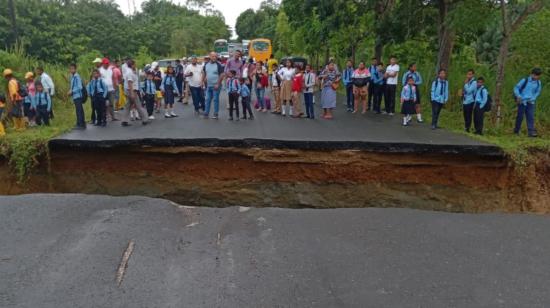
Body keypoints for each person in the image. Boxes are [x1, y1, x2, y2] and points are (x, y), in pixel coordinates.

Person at [514, 68, 543, 137]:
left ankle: (531, 132)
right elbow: (516, 88)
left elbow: (538, 91)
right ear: (532, 74)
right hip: (522, 101)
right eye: (535, 75)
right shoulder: (525, 80)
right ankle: (516, 131)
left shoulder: (538, 82)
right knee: (520, 117)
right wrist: (518, 96)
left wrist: (534, 98)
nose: (536, 77)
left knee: (530, 117)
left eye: (538, 76)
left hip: (531, 102)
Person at [121, 60, 149, 127]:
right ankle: (145, 119)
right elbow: (130, 83)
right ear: (132, 65)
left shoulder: (132, 71)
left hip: (130, 90)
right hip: (132, 90)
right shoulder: (129, 72)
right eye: (134, 64)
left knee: (127, 106)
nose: (135, 65)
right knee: (138, 105)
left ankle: (124, 120)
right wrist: (132, 93)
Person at [202, 52, 225, 120]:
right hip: (208, 85)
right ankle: (206, 113)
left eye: (215, 56)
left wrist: (218, 84)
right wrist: (202, 81)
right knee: (207, 99)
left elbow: (222, 75)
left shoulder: (218, 65)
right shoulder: (206, 64)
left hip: (216, 86)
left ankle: (215, 114)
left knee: (215, 99)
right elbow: (204, 73)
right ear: (210, 57)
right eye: (213, 56)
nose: (214, 58)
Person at [67, 63, 86, 129]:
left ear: (75, 69)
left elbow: (80, 87)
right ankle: (81, 123)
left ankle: (81, 124)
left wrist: (72, 91)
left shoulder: (77, 76)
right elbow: (73, 86)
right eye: (70, 69)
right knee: (79, 110)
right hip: (75, 96)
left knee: (79, 110)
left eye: (72, 69)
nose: (71, 70)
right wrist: (70, 90)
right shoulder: (72, 77)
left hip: (78, 96)